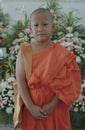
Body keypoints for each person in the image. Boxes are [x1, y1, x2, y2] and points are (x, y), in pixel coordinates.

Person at [14, 8, 81, 130]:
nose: (40, 29)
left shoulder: (63, 54)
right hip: (32, 107)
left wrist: (51, 106)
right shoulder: (24, 51)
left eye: (45, 24)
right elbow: (21, 81)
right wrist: (30, 107)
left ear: (52, 27)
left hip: (56, 108)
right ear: (30, 28)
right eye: (36, 25)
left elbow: (68, 84)